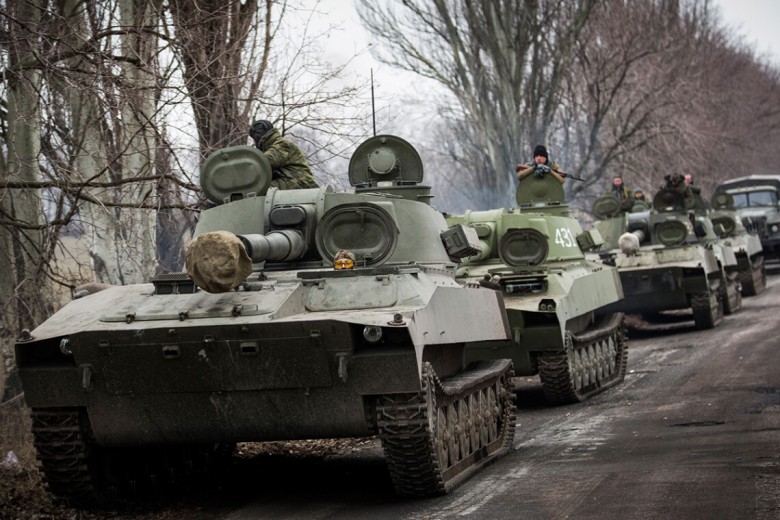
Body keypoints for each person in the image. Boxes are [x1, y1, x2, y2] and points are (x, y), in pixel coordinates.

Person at [249, 120, 319, 190]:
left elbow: (267, 161)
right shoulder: (272, 146)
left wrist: (246, 167)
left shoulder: (283, 144)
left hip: (300, 181)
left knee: (259, 189)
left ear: (258, 136)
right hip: (291, 180)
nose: (254, 143)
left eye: (254, 139)